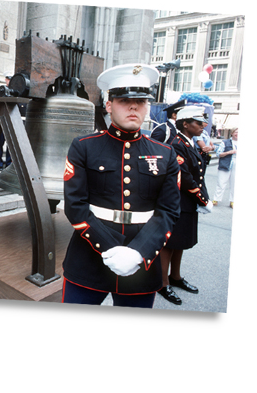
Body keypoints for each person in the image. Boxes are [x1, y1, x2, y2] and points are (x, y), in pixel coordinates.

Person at [62, 64, 181, 309]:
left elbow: (168, 212)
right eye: (124, 100)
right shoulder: (84, 147)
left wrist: (138, 253)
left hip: (142, 264)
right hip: (89, 257)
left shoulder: (165, 153)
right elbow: (75, 206)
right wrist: (111, 248)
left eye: (141, 101)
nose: (134, 107)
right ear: (109, 105)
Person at [159, 105, 213, 305]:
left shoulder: (188, 142)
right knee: (170, 244)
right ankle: (163, 284)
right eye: (198, 123)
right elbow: (185, 177)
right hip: (178, 200)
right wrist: (202, 198)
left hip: (187, 202)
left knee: (180, 243)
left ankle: (176, 277)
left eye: (203, 123)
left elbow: (197, 170)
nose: (203, 126)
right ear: (185, 124)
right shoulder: (177, 143)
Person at [213, 128, 238, 208]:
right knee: (221, 182)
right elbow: (218, 154)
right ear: (232, 133)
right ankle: (216, 199)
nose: (237, 134)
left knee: (235, 183)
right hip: (226, 163)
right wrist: (229, 152)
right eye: (236, 132)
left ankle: (233, 201)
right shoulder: (225, 142)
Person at [0, 71, 13, 171]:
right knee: (0, 144)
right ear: (6, 80)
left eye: (11, 79)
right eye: (8, 79)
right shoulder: (2, 90)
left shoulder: (15, 91)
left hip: (10, 121)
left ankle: (8, 163)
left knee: (10, 145)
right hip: (2, 120)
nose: (9, 81)